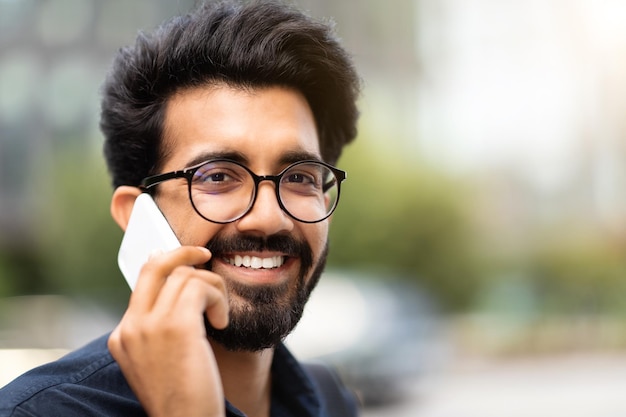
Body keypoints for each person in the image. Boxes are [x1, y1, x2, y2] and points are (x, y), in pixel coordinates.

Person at [0, 1, 361, 416]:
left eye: (299, 177)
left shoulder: (330, 400)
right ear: (138, 217)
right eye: (218, 176)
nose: (269, 218)